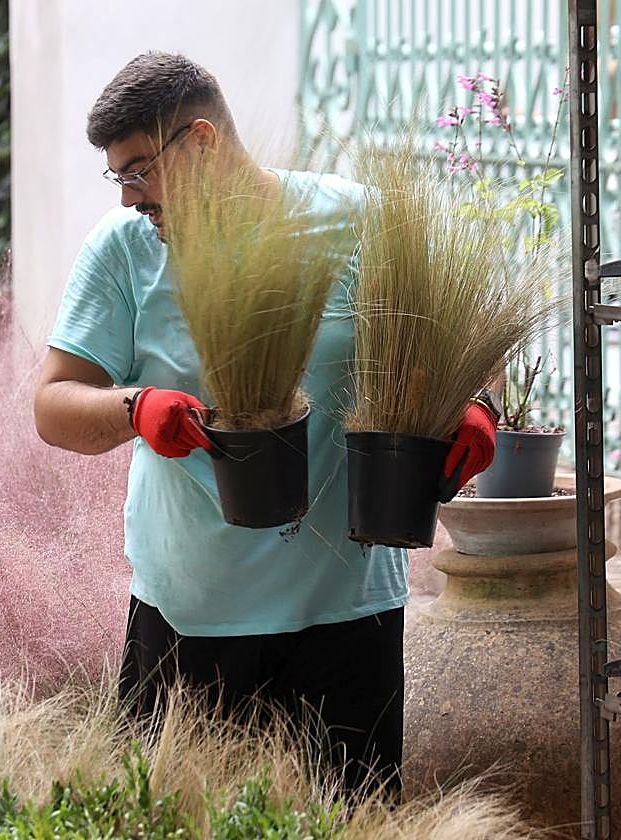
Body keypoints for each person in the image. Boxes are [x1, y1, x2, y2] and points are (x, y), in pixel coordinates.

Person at [32, 52, 498, 796]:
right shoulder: (122, 253)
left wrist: (476, 406)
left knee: (350, 820)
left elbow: (463, 347)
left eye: (138, 170)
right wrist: (138, 408)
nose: (129, 199)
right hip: (189, 612)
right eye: (118, 177)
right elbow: (54, 404)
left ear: (203, 140)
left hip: (346, 615)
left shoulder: (360, 221)